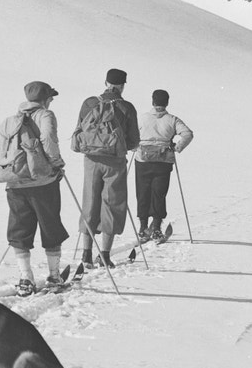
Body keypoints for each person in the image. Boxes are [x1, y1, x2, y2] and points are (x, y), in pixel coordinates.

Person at [0, 81, 70, 295]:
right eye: (51, 97)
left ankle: (25, 278)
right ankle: (54, 277)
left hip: (15, 182)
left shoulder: (11, 120)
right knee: (50, 227)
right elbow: (48, 140)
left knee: (19, 229)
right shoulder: (46, 115)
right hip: (42, 182)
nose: (52, 100)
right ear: (45, 99)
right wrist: (57, 164)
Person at [71, 68, 139, 271]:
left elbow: (79, 130)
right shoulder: (127, 107)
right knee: (112, 203)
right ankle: (105, 255)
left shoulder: (89, 103)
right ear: (122, 85)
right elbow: (133, 141)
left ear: (105, 82)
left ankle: (86, 254)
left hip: (90, 160)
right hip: (114, 162)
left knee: (90, 201)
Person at [134, 89, 194, 242]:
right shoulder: (172, 119)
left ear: (153, 102)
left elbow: (132, 134)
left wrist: (135, 146)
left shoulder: (142, 118)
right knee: (159, 193)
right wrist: (177, 147)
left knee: (143, 192)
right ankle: (156, 228)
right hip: (163, 161)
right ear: (167, 103)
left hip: (143, 160)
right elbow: (187, 134)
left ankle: (142, 228)